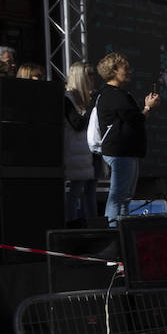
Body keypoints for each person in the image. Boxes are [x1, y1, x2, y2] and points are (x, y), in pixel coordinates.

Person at [94, 52, 160, 225]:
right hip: (121, 151)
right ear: (114, 71)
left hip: (124, 151)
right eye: (126, 68)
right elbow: (136, 120)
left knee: (124, 196)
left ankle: (121, 231)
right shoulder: (114, 95)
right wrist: (148, 108)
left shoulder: (114, 94)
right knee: (119, 196)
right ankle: (113, 231)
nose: (130, 71)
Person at [63, 61, 98, 226]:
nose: (92, 80)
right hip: (74, 153)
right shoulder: (67, 99)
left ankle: (91, 224)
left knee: (89, 193)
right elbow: (77, 124)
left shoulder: (81, 100)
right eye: (89, 76)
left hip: (86, 153)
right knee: (75, 193)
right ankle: (70, 224)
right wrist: (91, 108)